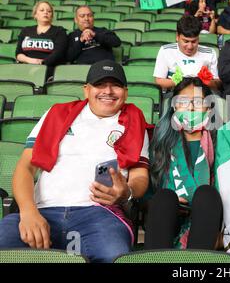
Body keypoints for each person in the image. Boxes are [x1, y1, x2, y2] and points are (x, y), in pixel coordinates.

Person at [0, 60, 151, 263]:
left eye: (115, 85)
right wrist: (28, 212)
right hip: (43, 210)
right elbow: (25, 167)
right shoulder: (57, 114)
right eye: (100, 84)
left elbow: (140, 176)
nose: (108, 91)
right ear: (86, 90)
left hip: (99, 214)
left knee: (114, 256)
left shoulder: (134, 121)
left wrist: (127, 192)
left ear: (125, 91)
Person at [144, 77, 222, 250]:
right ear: (174, 107)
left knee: (207, 195)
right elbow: (147, 192)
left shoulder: (223, 141)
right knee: (164, 198)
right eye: (183, 101)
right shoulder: (160, 142)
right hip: (168, 215)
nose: (191, 107)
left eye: (198, 102)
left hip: (208, 214)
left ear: (209, 108)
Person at [153, 15, 220, 91]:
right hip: (174, 93)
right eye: (186, 41)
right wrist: (176, 81)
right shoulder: (166, 51)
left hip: (201, 93)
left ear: (198, 37)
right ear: (177, 37)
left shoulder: (210, 53)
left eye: (194, 41)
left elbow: (217, 83)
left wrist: (206, 82)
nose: (190, 47)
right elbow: (158, 81)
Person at [16, 1, 67, 68]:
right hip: (25, 67)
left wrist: (41, 64)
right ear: (35, 14)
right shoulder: (26, 30)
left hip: (48, 68)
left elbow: (58, 53)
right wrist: (31, 61)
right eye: (42, 10)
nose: (45, 12)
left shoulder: (59, 31)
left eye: (49, 11)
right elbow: (18, 53)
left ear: (52, 15)